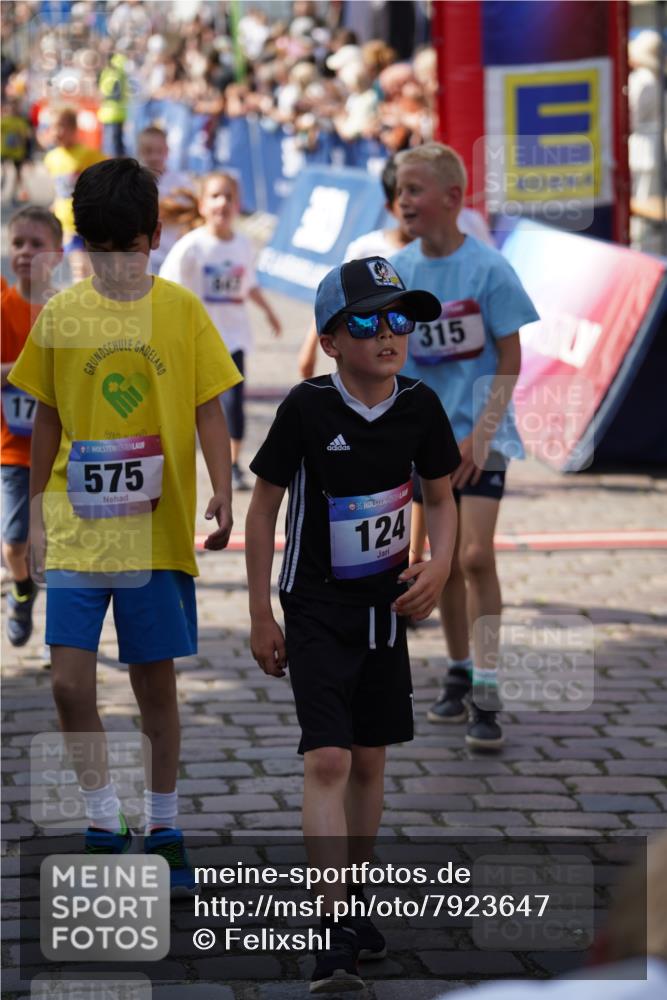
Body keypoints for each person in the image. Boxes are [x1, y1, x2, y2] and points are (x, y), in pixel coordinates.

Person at [8, 158, 241, 891]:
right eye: (98, 250)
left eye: (127, 248)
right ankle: (104, 817)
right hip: (77, 529)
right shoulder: (62, 314)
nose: (112, 264)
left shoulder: (179, 310)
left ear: (154, 235)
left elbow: (210, 405)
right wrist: (40, 512)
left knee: (155, 689)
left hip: (155, 533)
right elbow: (45, 413)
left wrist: (223, 487)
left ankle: (164, 824)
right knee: (71, 686)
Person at [245, 256, 460, 993]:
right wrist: (258, 613)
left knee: (370, 761)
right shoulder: (305, 406)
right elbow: (264, 506)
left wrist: (437, 565)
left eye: (400, 317)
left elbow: (440, 497)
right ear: (331, 340)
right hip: (312, 607)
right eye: (366, 321)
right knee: (328, 760)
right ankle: (329, 928)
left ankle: (355, 899)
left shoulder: (421, 405)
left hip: (385, 609)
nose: (388, 334)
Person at [392, 142, 539, 750]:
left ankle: (487, 681)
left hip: (482, 434)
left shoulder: (489, 270)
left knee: (475, 556)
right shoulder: (398, 270)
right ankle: (457, 668)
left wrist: (480, 433)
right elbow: (392, 355)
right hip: (425, 441)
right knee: (439, 562)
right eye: (400, 189)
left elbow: (510, 355)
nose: (404, 200)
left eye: (416, 189)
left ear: (453, 199)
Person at [297, 156, 493, 380]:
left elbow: (494, 289)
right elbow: (334, 298)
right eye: (406, 197)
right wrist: (309, 347)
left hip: (459, 374)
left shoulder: (469, 227)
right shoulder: (367, 250)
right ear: (391, 207)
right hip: (404, 374)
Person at [159, 171, 282, 491]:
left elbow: (248, 283)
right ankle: (175, 459)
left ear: (238, 204)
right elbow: (167, 287)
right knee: (192, 405)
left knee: (234, 404)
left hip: (233, 338)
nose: (223, 202)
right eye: (215, 196)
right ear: (202, 205)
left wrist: (268, 311)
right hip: (197, 342)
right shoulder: (191, 246)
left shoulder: (242, 243)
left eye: (229, 196)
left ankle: (232, 464)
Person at [1, 207, 63, 647]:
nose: (25, 252)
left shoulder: (66, 311)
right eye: (18, 243)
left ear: (57, 254)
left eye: (35, 244)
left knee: (57, 544)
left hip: (60, 453)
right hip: (12, 450)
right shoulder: (3, 307)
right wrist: (23, 372)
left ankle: (59, 634)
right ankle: (21, 591)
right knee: (13, 543)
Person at [43, 107, 106, 280]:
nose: (56, 132)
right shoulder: (51, 158)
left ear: (73, 129)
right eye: (53, 127)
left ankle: (97, 299)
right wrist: (55, 205)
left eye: (61, 126)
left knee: (94, 268)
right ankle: (84, 301)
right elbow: (59, 190)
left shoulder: (88, 155)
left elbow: (108, 174)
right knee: (78, 267)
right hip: (67, 223)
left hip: (90, 221)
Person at [136, 125, 192, 274]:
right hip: (144, 257)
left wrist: (171, 212)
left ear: (167, 151)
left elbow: (192, 214)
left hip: (173, 254)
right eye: (148, 151)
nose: (154, 157)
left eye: (159, 151)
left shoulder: (182, 182)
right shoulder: (133, 182)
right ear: (140, 151)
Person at [97, 53, 129, 157]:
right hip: (120, 112)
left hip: (110, 113)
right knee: (118, 142)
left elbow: (107, 94)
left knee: (111, 144)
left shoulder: (111, 74)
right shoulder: (123, 75)